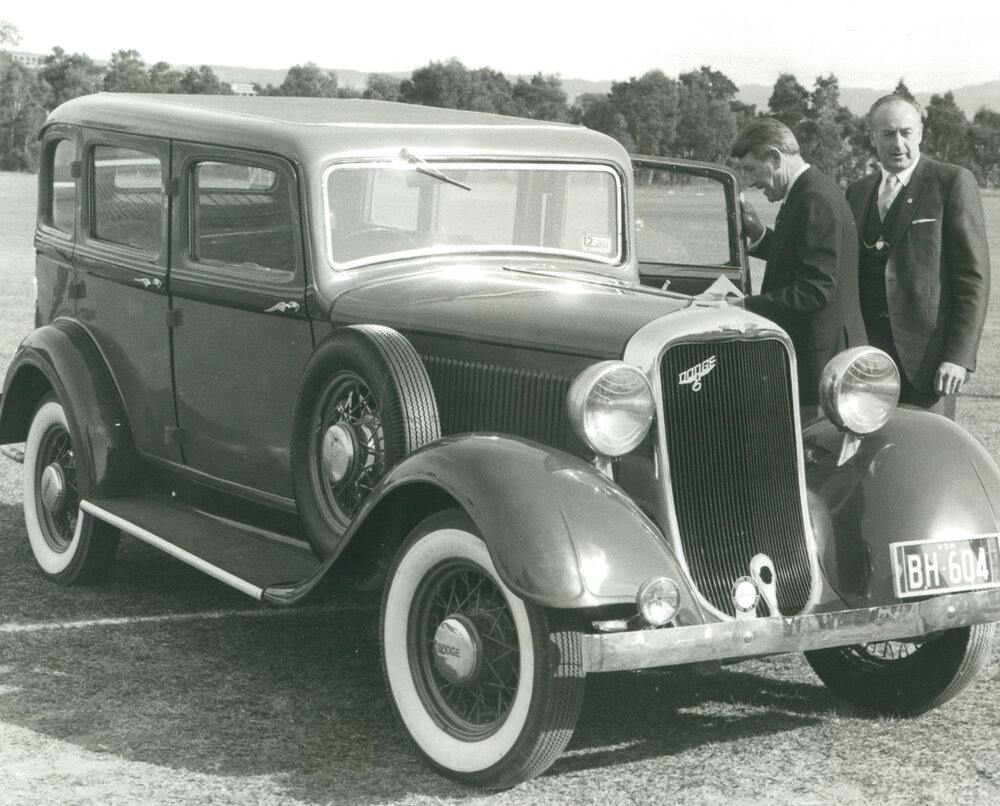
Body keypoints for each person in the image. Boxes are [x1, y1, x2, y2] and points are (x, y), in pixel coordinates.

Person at [847, 95, 990, 419]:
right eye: (887, 134)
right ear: (872, 137)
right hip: (867, 362)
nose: (898, 143)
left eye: (906, 132)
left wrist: (958, 356)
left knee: (928, 456)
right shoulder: (857, 191)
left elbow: (973, 279)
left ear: (921, 133)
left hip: (928, 365)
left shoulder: (951, 182)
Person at [730, 118, 866, 408]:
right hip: (819, 355)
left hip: (820, 363)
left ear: (776, 158)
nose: (751, 181)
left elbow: (815, 290)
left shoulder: (813, 199)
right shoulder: (809, 192)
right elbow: (803, 256)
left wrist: (742, 307)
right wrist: (759, 234)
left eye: (751, 169)